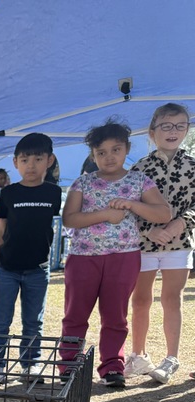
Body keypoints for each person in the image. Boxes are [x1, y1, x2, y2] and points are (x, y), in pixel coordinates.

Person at [58, 120, 171, 387]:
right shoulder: (82, 183)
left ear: (127, 149)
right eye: (101, 152)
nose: (109, 157)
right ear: (92, 155)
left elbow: (163, 213)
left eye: (115, 150)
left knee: (115, 316)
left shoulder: (139, 181)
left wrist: (132, 204)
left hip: (124, 257)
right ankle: (69, 365)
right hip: (83, 258)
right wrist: (105, 215)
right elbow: (69, 219)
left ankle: (112, 367)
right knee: (75, 314)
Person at [0, 133, 61, 384]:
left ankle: (30, 364)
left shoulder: (53, 193)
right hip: (7, 268)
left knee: (33, 322)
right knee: (0, 320)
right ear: (16, 162)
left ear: (49, 161)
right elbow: (2, 228)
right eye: (25, 159)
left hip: (38, 268)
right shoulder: (9, 193)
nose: (31, 165)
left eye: (38, 158)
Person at [124, 103, 194, 385]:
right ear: (152, 132)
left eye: (180, 126)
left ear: (187, 130)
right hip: (145, 245)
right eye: (166, 125)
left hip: (180, 244)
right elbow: (129, 208)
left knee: (171, 299)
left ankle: (171, 358)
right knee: (140, 300)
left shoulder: (192, 166)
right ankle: (138, 356)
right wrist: (149, 230)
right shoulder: (139, 169)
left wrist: (181, 222)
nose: (172, 131)